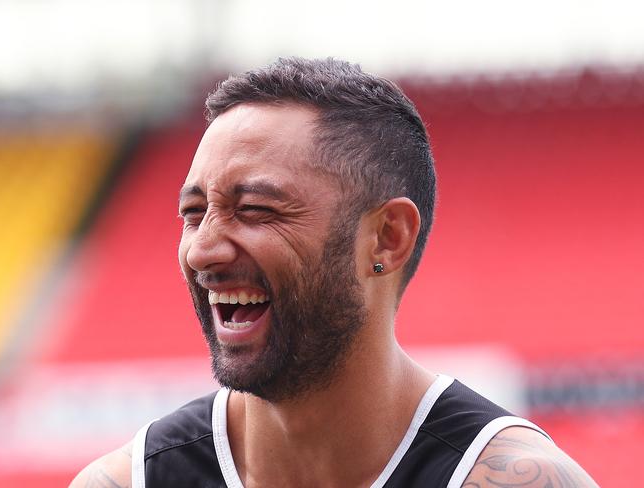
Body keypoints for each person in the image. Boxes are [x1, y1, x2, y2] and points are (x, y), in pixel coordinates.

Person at [71, 57, 598, 488]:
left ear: (387, 238)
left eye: (254, 209)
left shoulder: (511, 479)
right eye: (193, 213)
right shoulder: (131, 481)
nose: (202, 250)